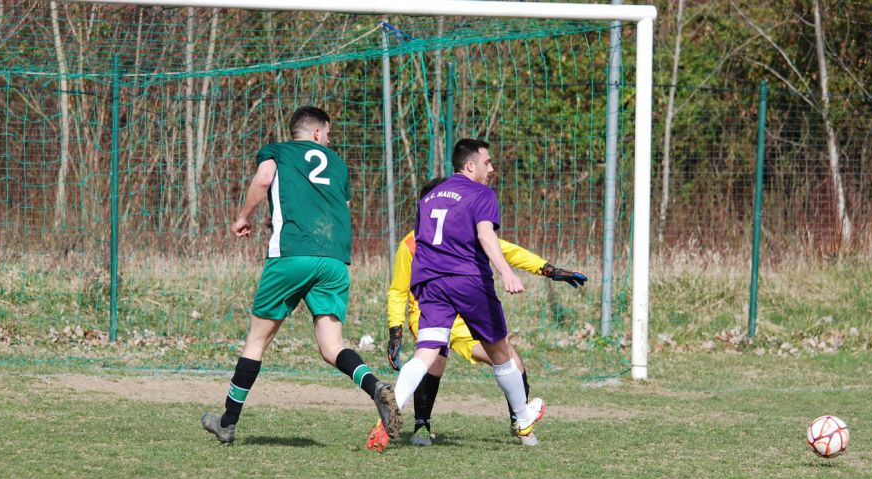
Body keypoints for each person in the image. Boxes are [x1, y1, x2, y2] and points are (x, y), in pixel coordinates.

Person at [202, 106, 401, 445]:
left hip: (292, 254)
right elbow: (339, 209)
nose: (329, 140)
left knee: (256, 341)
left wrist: (243, 216)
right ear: (316, 133)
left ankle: (227, 422)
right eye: (328, 134)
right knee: (332, 346)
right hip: (334, 259)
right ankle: (375, 387)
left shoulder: (278, 151)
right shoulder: (337, 164)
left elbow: (263, 179)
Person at [367, 138, 559, 451]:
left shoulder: (428, 199)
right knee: (501, 353)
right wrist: (506, 272)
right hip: (469, 282)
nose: (491, 168)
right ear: (470, 166)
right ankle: (523, 419)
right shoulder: (481, 193)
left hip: (431, 284)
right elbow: (486, 235)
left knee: (425, 354)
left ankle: (391, 410)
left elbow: (422, 243)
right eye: (487, 162)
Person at [386, 177, 587, 447]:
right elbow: (398, 290)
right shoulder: (410, 245)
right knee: (436, 358)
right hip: (431, 310)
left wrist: (547, 269)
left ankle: (520, 422)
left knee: (509, 356)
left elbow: (506, 251)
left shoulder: (462, 231)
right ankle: (421, 426)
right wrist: (396, 329)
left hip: (465, 313)